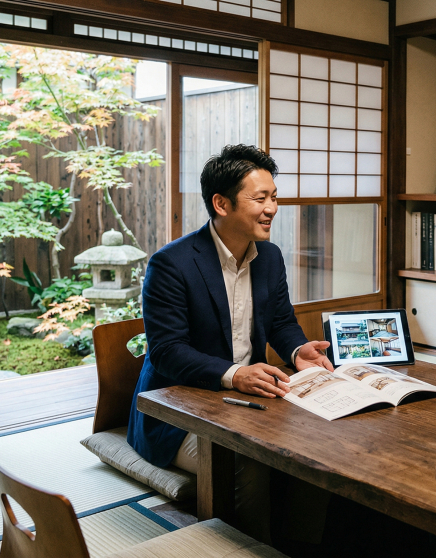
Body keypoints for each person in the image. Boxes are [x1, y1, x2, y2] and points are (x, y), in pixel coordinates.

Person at [126, 144, 333, 542]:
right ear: (221, 204)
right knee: (248, 460)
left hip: (250, 406)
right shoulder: (171, 264)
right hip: (177, 412)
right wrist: (235, 374)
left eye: (274, 197)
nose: (272, 207)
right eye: (260, 198)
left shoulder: (269, 257)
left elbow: (281, 322)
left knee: (316, 448)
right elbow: (167, 352)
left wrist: (297, 350)